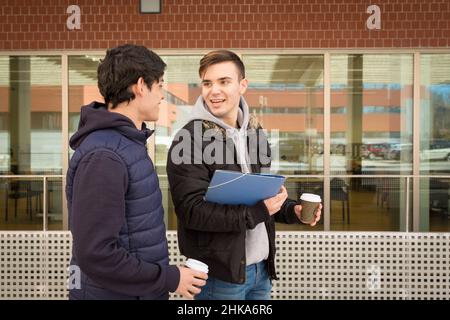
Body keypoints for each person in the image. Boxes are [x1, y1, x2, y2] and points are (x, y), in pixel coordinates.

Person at [166, 50, 322, 300]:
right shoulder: (189, 139)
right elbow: (191, 211)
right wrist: (258, 211)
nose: (214, 91)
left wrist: (290, 210)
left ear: (243, 85)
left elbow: (262, 198)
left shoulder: (255, 132)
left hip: (261, 272)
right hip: (219, 278)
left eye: (224, 81)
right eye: (207, 83)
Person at [66, 44, 207, 300]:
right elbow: (96, 254)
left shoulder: (126, 144)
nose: (163, 94)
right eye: (161, 84)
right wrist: (170, 278)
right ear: (141, 86)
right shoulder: (104, 157)